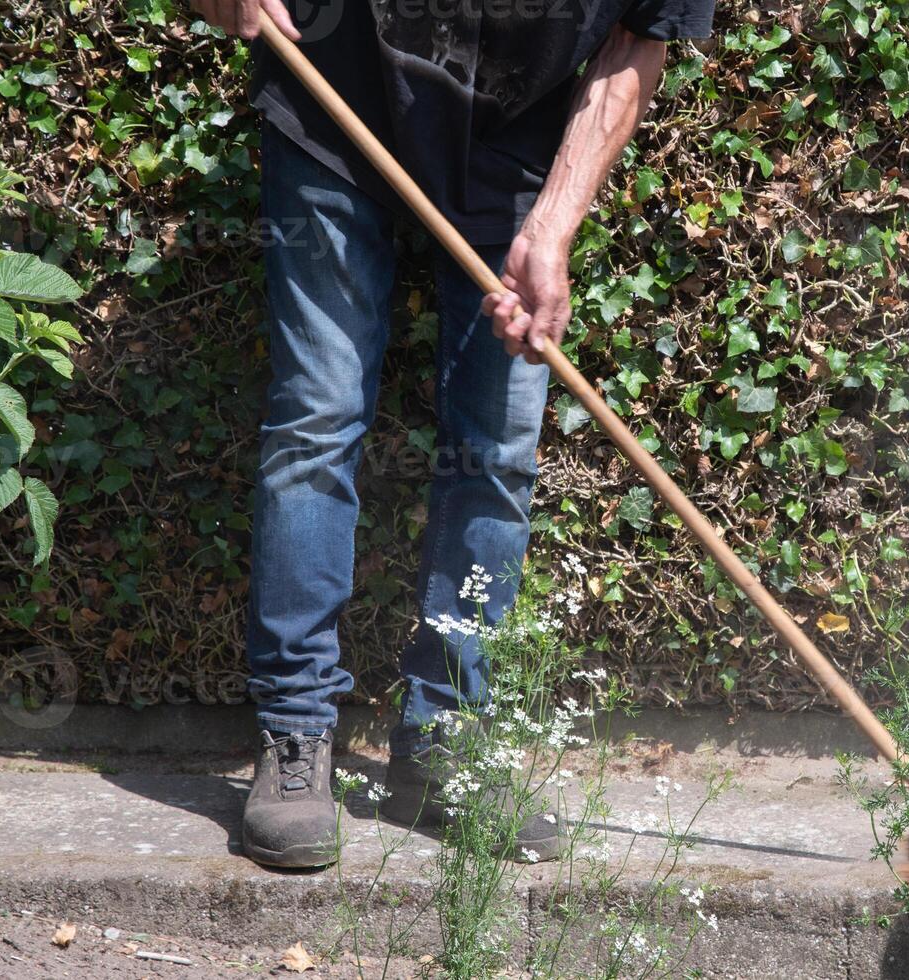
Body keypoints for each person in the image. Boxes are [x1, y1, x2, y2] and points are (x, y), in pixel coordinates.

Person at [186, 0, 715, 868]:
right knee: (316, 418)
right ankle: (294, 733)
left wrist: (551, 228)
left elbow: (635, 40)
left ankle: (447, 742)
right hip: (333, 101)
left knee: (497, 452)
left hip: (517, 147)